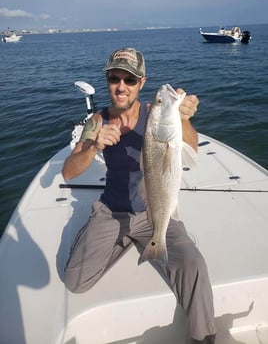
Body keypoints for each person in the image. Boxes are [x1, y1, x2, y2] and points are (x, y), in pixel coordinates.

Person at [62, 47, 216, 344]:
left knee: (193, 264)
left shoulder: (156, 113)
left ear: (141, 83)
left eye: (129, 80)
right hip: (112, 211)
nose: (121, 86)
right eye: (114, 78)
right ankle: (122, 240)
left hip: (154, 212)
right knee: (75, 282)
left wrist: (183, 117)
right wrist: (93, 147)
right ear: (107, 80)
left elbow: (192, 148)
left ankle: (203, 338)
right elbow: (69, 172)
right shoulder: (97, 121)